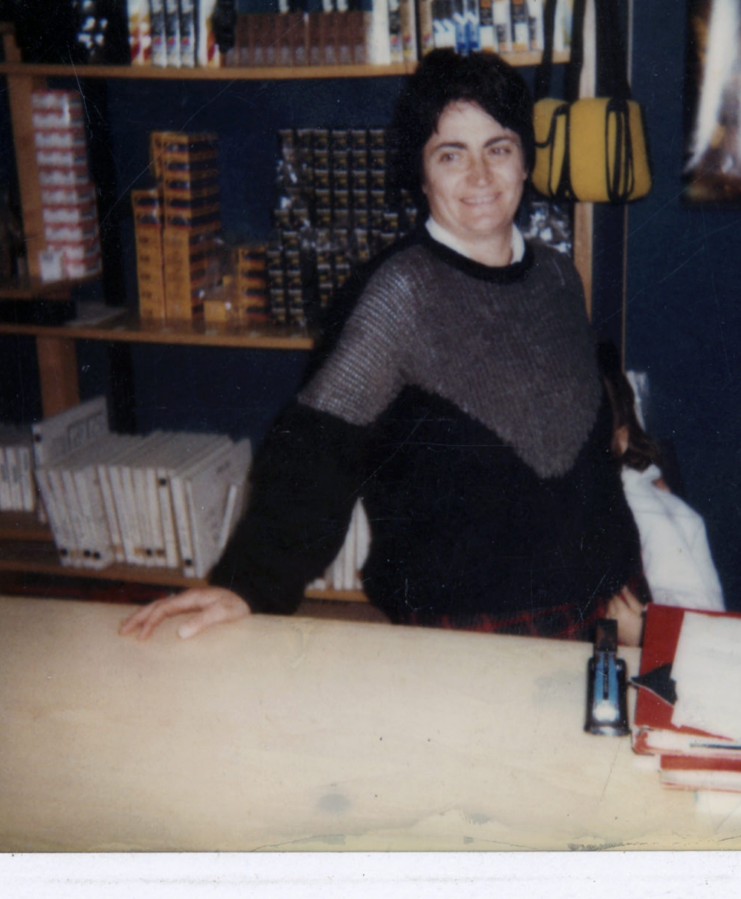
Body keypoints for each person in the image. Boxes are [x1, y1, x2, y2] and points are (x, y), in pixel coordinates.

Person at [120, 48, 642, 644]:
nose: (479, 177)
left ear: (524, 162)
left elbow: (578, 437)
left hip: (600, 605)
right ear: (421, 175)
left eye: (498, 149)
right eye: (451, 155)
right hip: (475, 629)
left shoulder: (556, 276)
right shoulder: (397, 296)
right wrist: (249, 584)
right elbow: (314, 452)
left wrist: (619, 582)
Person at [601, 351, 725, 645]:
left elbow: (704, 626)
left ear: (619, 440)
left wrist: (646, 636)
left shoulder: (643, 507)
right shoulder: (634, 495)